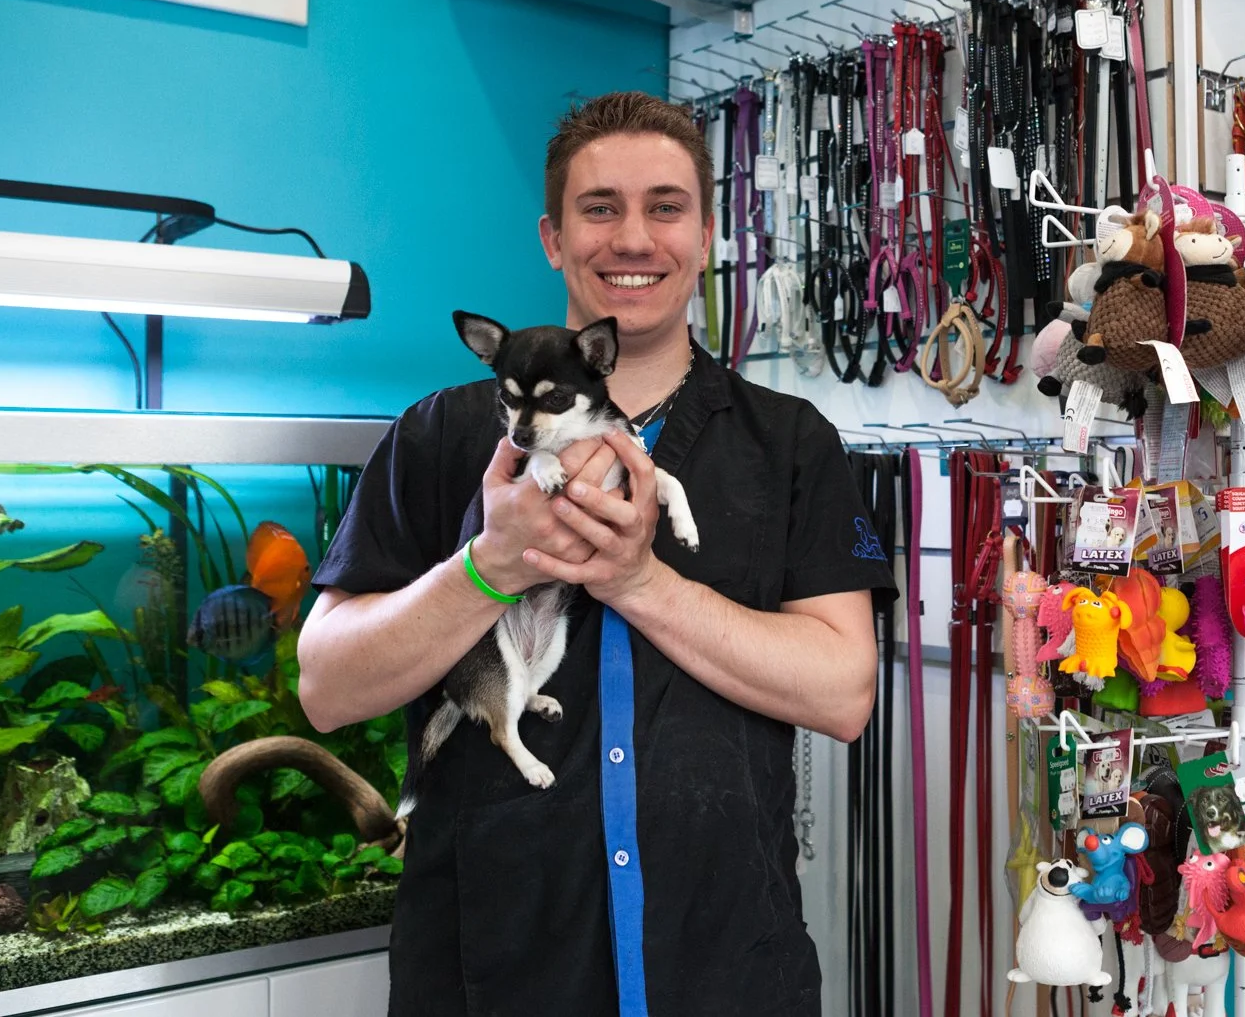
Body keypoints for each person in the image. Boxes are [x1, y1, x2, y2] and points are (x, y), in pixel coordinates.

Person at [298, 91, 894, 1015]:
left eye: (665, 206)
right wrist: (489, 568)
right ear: (552, 236)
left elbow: (844, 693)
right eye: (600, 208)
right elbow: (327, 686)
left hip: (727, 965)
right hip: (492, 970)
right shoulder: (438, 436)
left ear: (704, 235)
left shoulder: (791, 445)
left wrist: (639, 581)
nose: (633, 239)